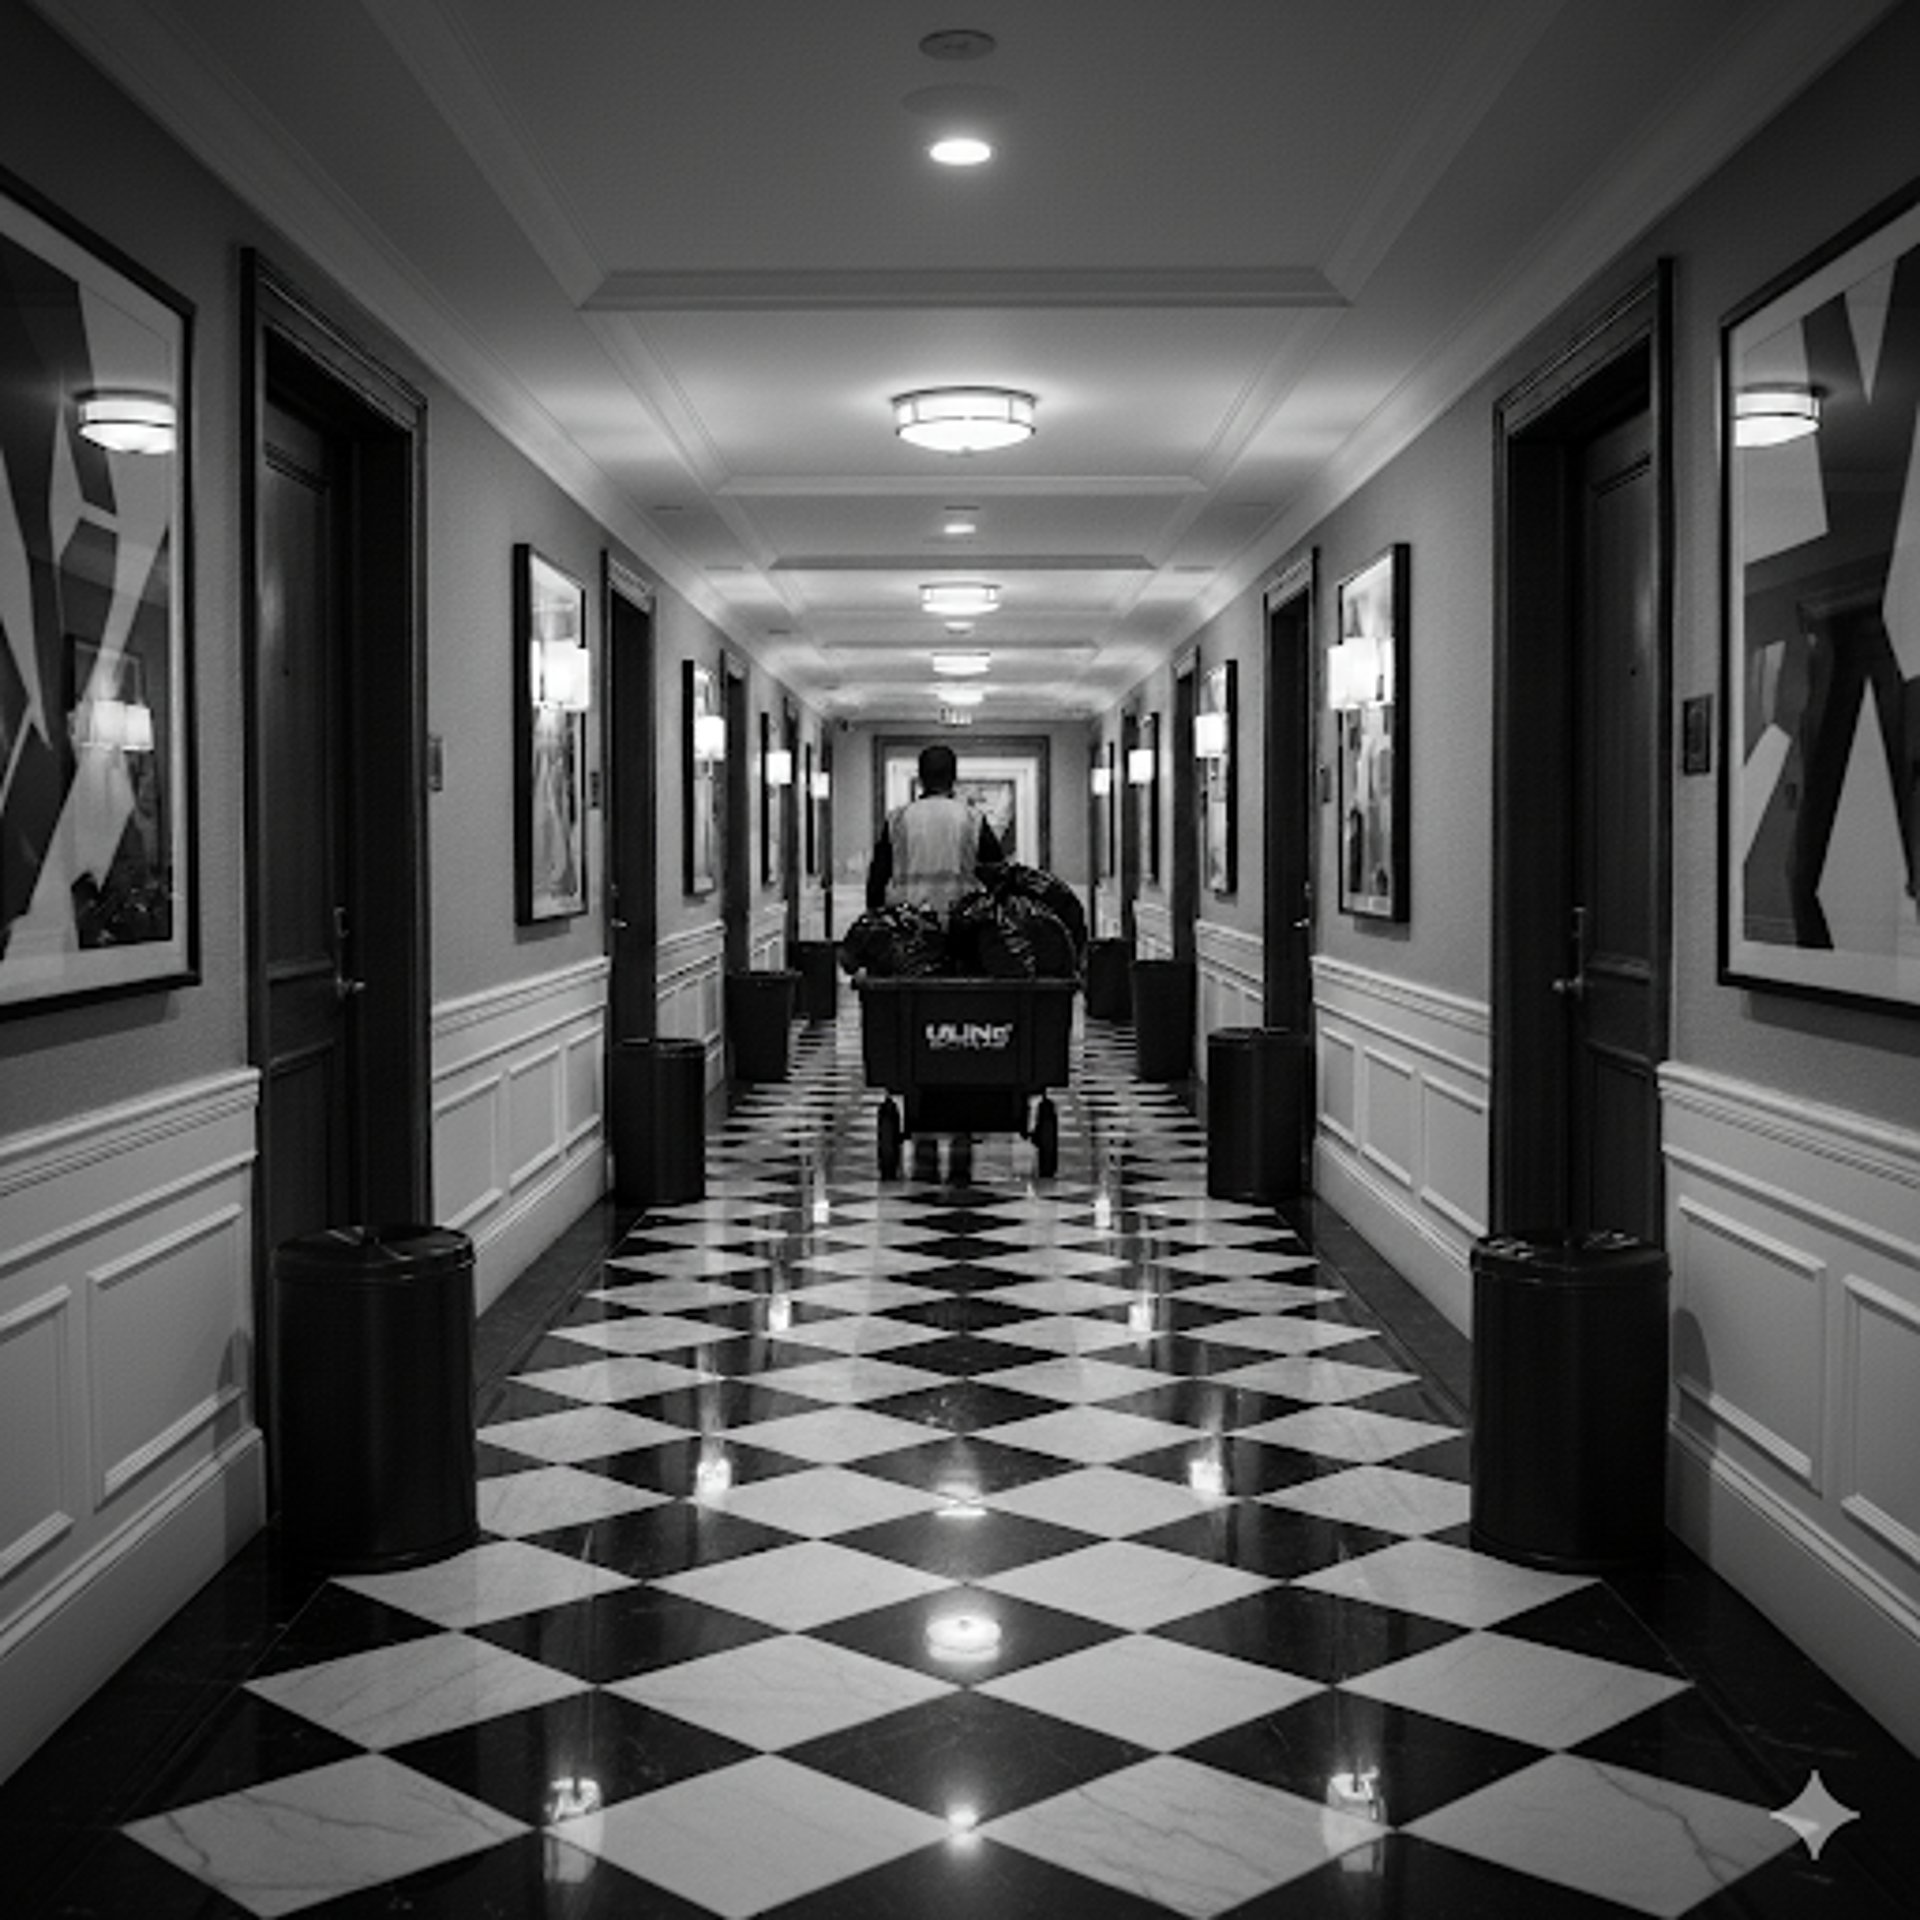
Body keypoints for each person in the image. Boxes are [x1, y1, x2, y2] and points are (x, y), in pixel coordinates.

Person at [866, 742, 1003, 912]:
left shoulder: (898, 820)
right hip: (960, 923)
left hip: (908, 922)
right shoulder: (972, 819)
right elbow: (998, 875)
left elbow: (877, 881)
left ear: (921, 777)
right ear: (953, 777)